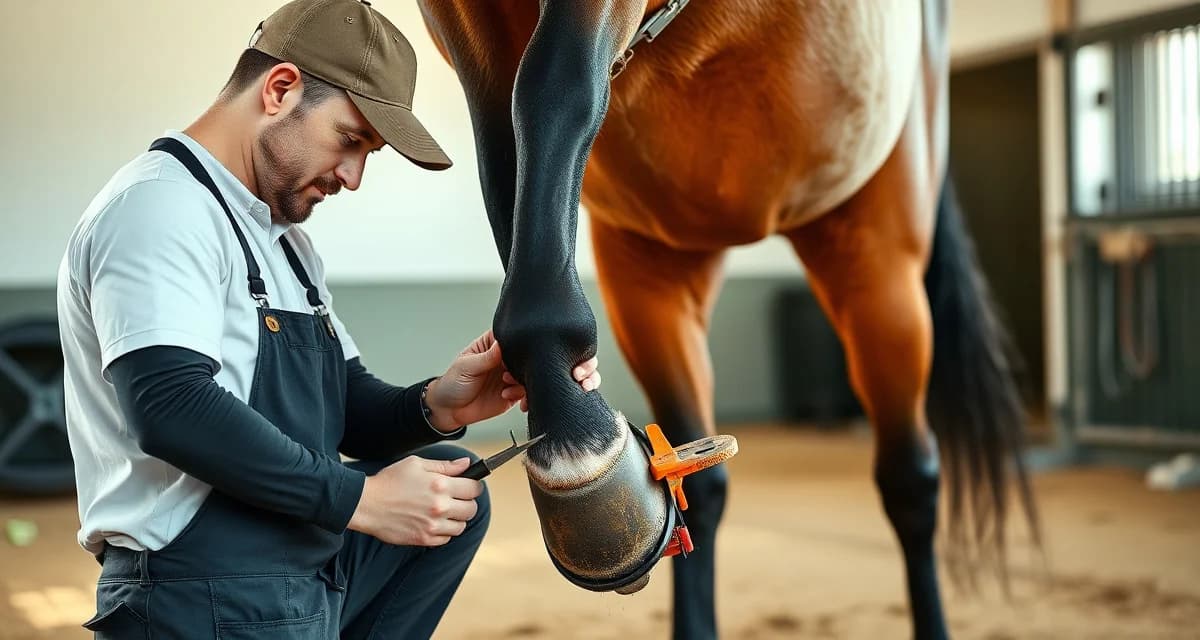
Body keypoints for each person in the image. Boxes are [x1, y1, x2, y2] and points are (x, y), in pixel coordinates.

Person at [55, 1, 601, 637]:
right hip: (198, 593)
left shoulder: (285, 242)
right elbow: (169, 405)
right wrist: (360, 501)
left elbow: (342, 410)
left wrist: (440, 404)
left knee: (453, 499)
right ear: (281, 90)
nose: (353, 176)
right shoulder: (159, 208)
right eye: (351, 141)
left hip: (296, 575)